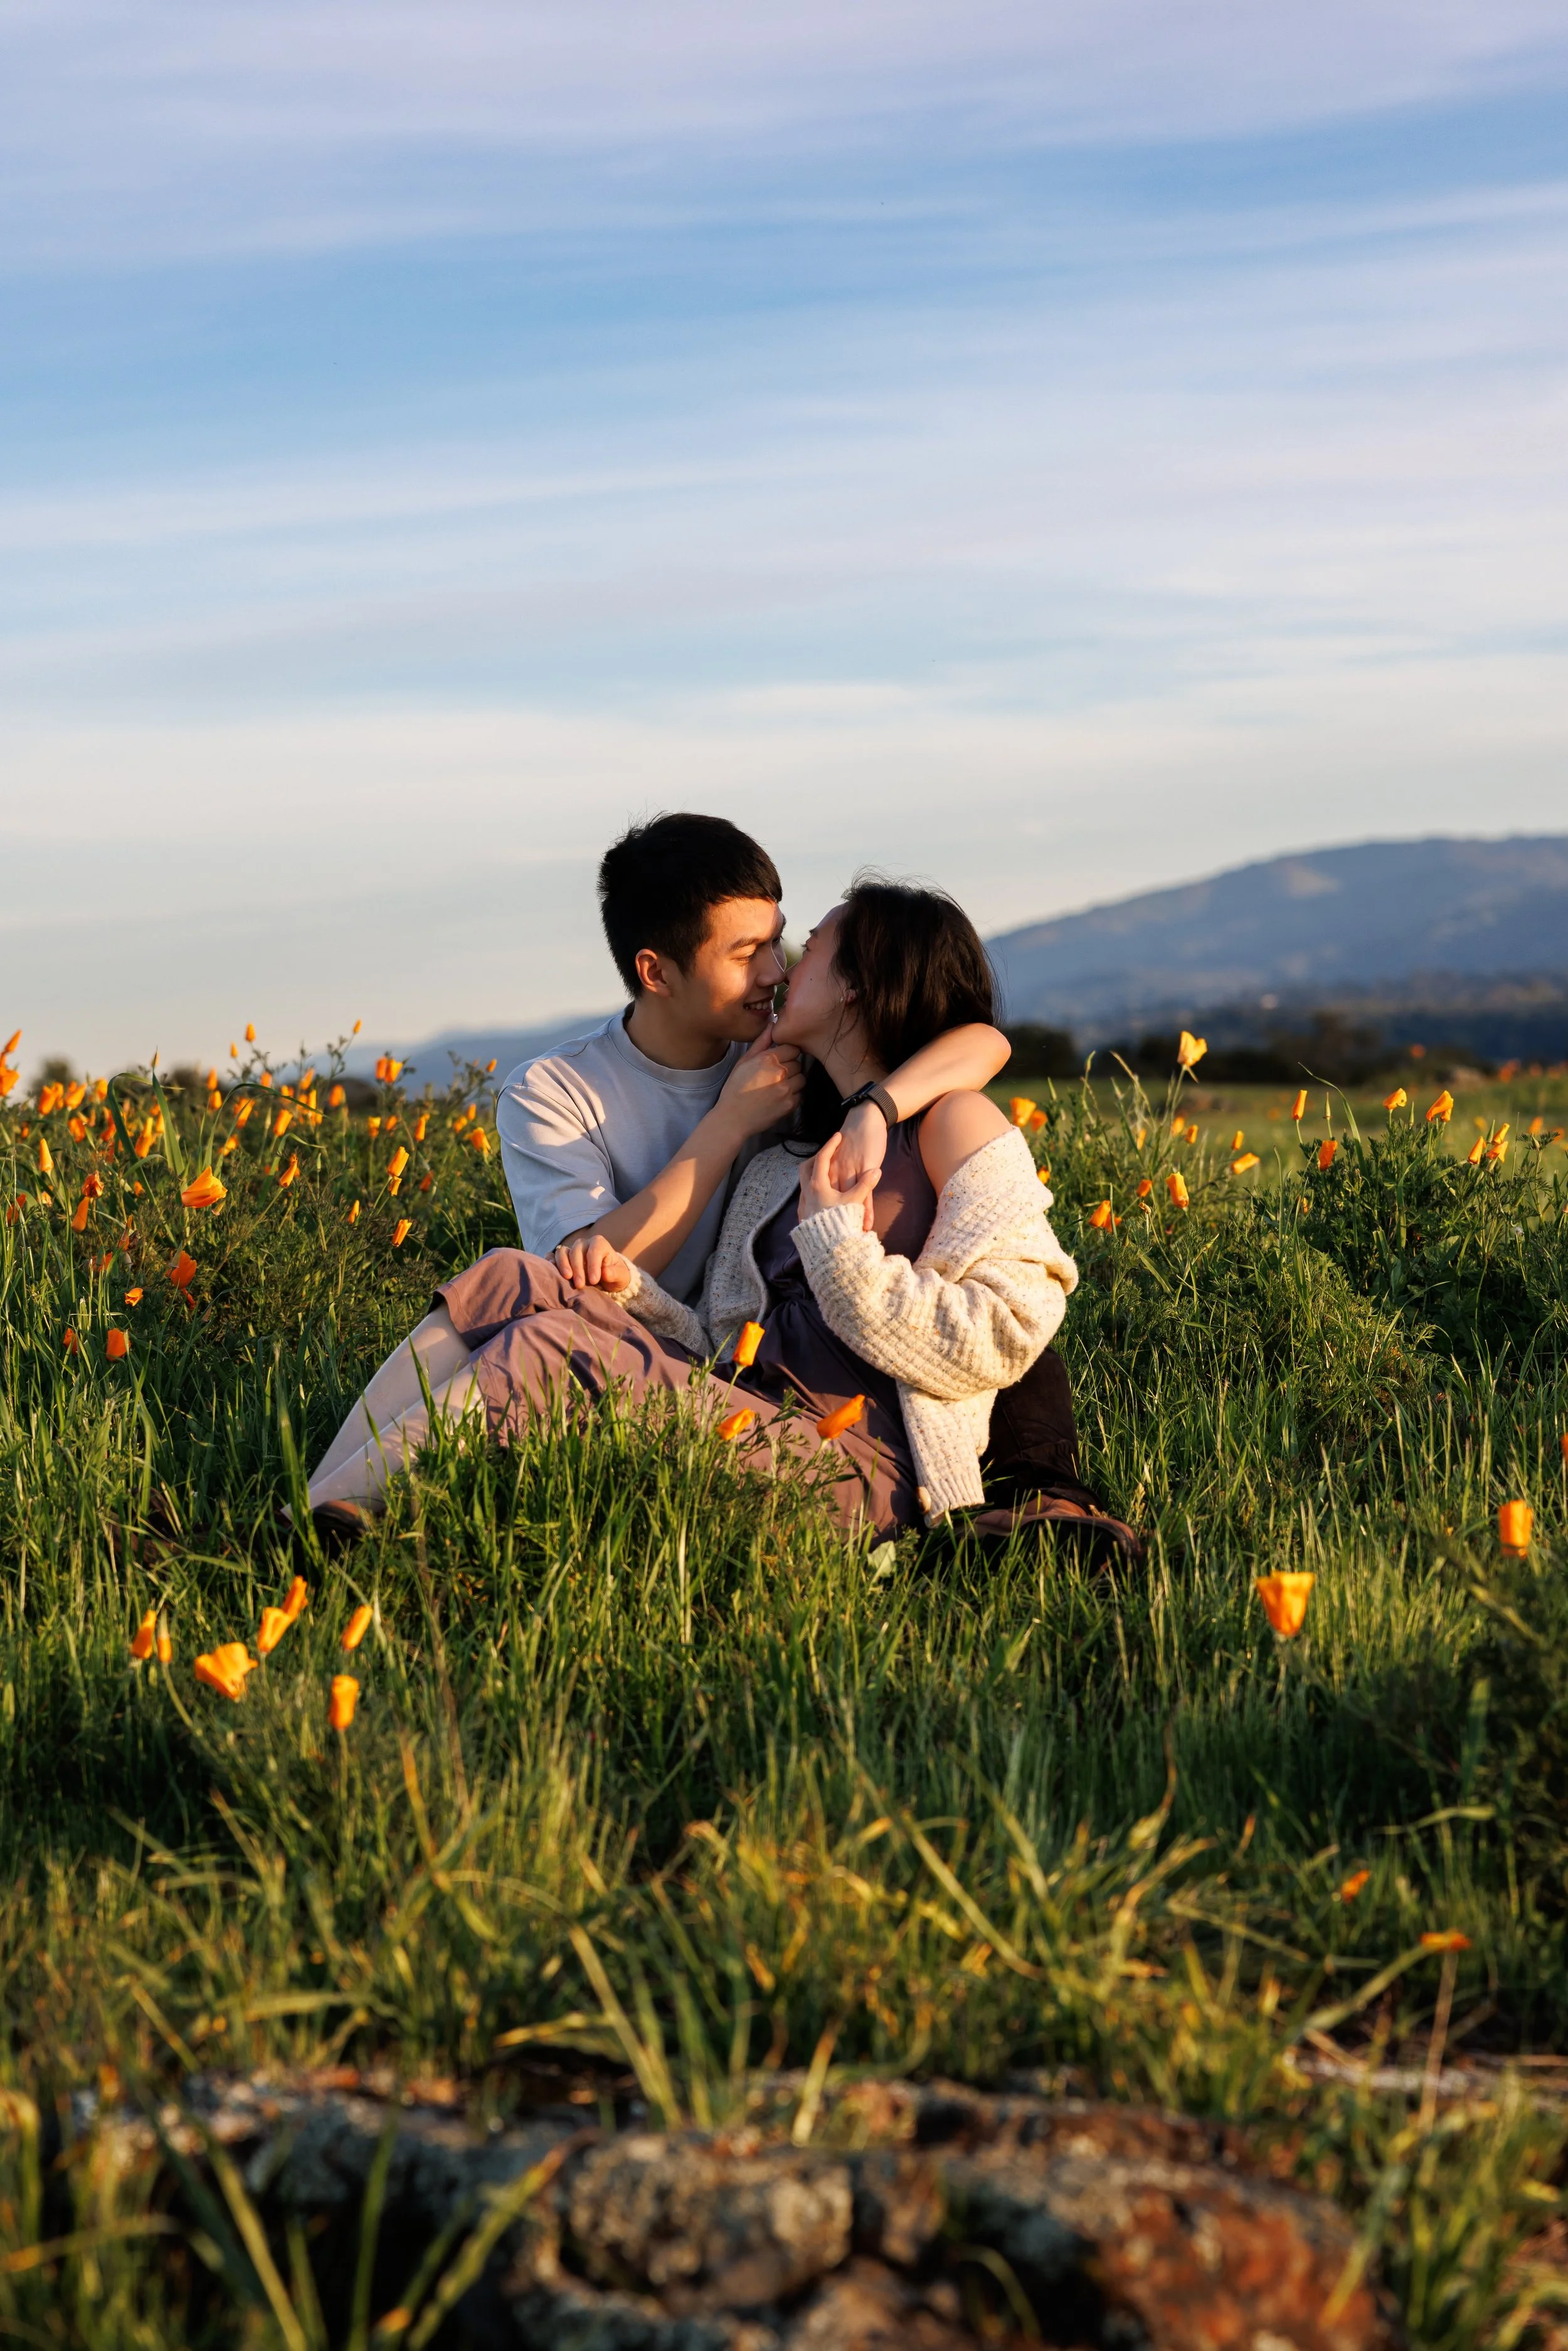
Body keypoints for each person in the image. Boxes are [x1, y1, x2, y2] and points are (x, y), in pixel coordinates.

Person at [305, 879, 1079, 1541]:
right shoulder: (784, 1157)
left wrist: (840, 1241)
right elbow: (722, 1343)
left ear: (856, 982)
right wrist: (632, 1294)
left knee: (548, 1349)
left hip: (861, 1472)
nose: (780, 973)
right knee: (513, 1277)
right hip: (747, 1419)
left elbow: (1006, 1335)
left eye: (804, 950)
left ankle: (333, 1527)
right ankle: (314, 1506)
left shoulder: (953, 1125)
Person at [495, 814, 1011, 1306]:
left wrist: (870, 1110)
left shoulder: (793, 1055)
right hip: (629, 1349)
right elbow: (587, 1285)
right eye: (745, 956)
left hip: (748, 1359)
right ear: (656, 974)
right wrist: (729, 1124)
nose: (776, 972)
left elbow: (984, 1044)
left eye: (776, 942)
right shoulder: (551, 1092)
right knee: (493, 1284)